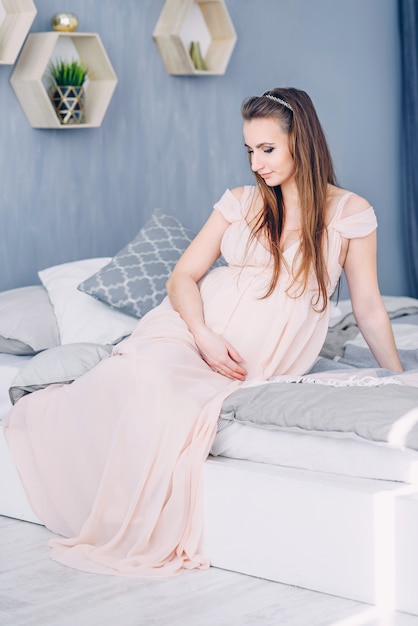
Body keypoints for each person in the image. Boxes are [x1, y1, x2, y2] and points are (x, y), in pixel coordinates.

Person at [4, 87, 403, 578]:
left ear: (303, 142)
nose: (256, 163)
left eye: (268, 149)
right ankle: (52, 425)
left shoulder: (349, 213)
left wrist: (398, 378)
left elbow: (368, 308)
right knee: (143, 380)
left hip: (257, 356)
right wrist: (202, 334)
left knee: (170, 396)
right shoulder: (239, 203)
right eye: (250, 150)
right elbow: (181, 277)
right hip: (190, 331)